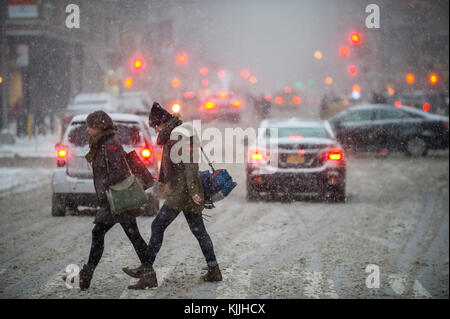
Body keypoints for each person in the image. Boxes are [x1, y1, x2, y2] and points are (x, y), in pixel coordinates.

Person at [123, 102, 222, 289]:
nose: (155, 130)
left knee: (158, 225)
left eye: (155, 126)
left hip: (183, 193)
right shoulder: (174, 135)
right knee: (198, 231)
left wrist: (193, 192)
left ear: (162, 122)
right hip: (181, 190)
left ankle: (147, 271)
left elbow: (191, 165)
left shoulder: (179, 136)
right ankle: (213, 269)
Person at [76, 110, 151, 290]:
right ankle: (149, 274)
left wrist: (104, 184)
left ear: (99, 127)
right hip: (115, 200)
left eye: (90, 126)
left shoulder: (110, 144)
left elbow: (119, 172)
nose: (87, 130)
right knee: (133, 236)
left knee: (99, 233)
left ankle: (87, 274)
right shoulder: (103, 143)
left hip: (117, 200)